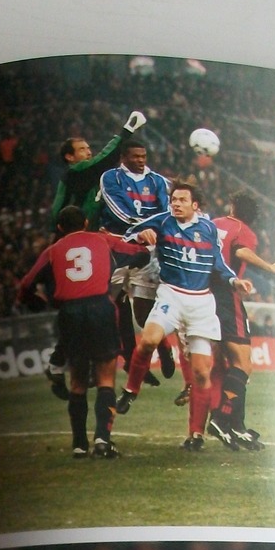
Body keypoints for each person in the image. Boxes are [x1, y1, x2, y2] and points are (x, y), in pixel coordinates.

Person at [115, 182, 253, 451]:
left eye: (181, 200)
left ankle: (195, 435)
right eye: (173, 199)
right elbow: (130, 233)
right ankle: (130, 391)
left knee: (202, 373)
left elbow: (218, 262)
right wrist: (142, 234)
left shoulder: (208, 228)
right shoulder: (163, 221)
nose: (175, 203)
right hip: (171, 296)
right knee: (148, 340)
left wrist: (235, 281)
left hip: (201, 303)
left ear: (195, 205)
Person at [17, 206, 152, 458]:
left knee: (78, 381)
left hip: (70, 313)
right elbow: (140, 254)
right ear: (87, 222)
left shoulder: (52, 250)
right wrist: (139, 247)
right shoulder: (102, 240)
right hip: (100, 309)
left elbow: (26, 283)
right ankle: (102, 440)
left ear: (59, 228)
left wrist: (33, 299)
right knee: (105, 378)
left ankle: (79, 445)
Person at [205, 192, 275, 450]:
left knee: (233, 365)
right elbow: (241, 252)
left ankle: (237, 426)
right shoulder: (245, 231)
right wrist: (271, 267)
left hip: (203, 293)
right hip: (226, 295)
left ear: (232, 206)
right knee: (243, 364)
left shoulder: (213, 223)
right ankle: (221, 418)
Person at [98, 142, 175, 391]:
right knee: (114, 307)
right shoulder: (111, 177)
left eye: (144, 156)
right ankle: (130, 362)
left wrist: (151, 232)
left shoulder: (159, 182)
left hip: (147, 251)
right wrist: (141, 229)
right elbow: (118, 210)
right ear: (124, 157)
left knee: (143, 313)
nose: (141, 160)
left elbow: (166, 213)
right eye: (135, 156)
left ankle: (164, 349)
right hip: (117, 245)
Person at [50, 110, 147, 233]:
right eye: (82, 149)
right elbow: (106, 158)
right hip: (73, 235)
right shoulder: (76, 172)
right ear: (69, 157)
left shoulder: (88, 177)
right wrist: (127, 130)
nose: (89, 152)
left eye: (88, 148)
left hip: (85, 234)